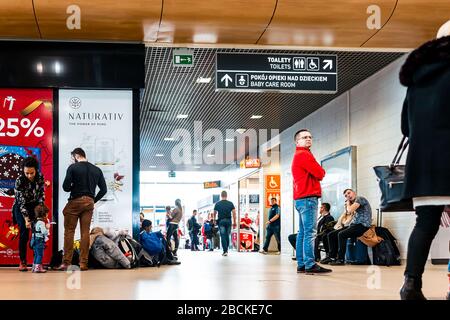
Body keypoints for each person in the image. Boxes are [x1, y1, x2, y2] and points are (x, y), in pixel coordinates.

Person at [398, 21, 450, 300]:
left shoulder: (417, 77)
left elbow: (406, 128)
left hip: (424, 165)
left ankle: (411, 285)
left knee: (425, 225)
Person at [55, 148, 107, 271]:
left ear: (76, 156)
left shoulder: (73, 168)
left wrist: (72, 183)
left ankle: (66, 263)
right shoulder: (97, 169)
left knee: (69, 232)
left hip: (75, 202)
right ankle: (83, 263)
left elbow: (66, 188)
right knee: (85, 233)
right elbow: (104, 190)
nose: (72, 160)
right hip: (89, 202)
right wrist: (92, 200)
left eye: (72, 157)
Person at [291, 129, 331, 274]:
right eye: (304, 137)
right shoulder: (304, 155)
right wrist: (320, 171)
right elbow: (320, 173)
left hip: (300, 199)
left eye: (310, 137)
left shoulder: (298, 155)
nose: (308, 139)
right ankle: (310, 264)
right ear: (297, 141)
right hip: (308, 198)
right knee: (310, 233)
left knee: (302, 232)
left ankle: (301, 263)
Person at [12, 156, 45, 272]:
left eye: (32, 173)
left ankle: (37, 263)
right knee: (24, 233)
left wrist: (40, 213)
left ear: (36, 170)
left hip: (35, 206)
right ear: (23, 171)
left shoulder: (40, 177)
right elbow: (21, 203)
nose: (29, 176)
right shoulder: (19, 180)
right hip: (21, 208)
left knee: (38, 234)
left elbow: (41, 195)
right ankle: (23, 261)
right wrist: (26, 219)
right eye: (27, 173)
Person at [329, 189, 372, 266]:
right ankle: (332, 257)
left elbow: (350, 210)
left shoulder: (360, 199)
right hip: (354, 225)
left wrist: (348, 203)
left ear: (354, 193)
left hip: (362, 225)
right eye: (346, 195)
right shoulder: (354, 203)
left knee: (341, 234)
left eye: (349, 193)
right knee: (331, 235)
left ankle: (341, 259)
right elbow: (348, 213)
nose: (348, 196)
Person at [213, 190, 236, 256]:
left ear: (221, 196)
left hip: (221, 221)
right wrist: (234, 222)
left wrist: (214, 220)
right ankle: (226, 250)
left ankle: (225, 251)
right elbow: (234, 213)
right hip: (229, 221)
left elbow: (214, 212)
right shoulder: (230, 203)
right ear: (226, 195)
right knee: (227, 235)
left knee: (223, 235)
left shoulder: (217, 203)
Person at [30, 204, 50, 273]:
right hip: (39, 240)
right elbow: (44, 232)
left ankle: (34, 267)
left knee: (36, 254)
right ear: (44, 214)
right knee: (40, 255)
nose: (47, 215)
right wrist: (47, 228)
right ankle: (38, 268)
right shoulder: (41, 223)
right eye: (47, 214)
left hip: (34, 240)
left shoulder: (35, 222)